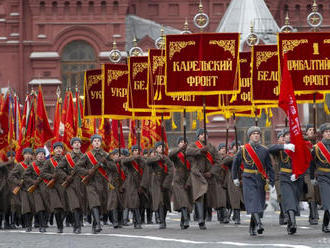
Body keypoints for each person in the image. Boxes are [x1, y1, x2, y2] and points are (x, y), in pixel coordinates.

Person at [232, 126, 275, 236]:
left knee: (258, 204)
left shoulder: (264, 150)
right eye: (253, 133)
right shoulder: (244, 149)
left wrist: (272, 182)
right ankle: (259, 224)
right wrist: (235, 177)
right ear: (249, 136)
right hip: (248, 178)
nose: (256, 135)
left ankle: (252, 227)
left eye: (258, 133)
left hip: (260, 179)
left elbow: (269, 167)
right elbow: (235, 164)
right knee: (253, 201)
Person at [269, 128, 303, 235]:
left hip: (297, 177)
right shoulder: (280, 148)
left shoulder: (299, 147)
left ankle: (290, 221)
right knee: (289, 199)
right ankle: (293, 222)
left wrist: (298, 173)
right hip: (284, 177)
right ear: (283, 137)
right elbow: (270, 149)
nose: (289, 136)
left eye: (290, 134)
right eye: (286, 135)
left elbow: (305, 162)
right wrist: (284, 146)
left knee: (294, 200)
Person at [186, 129, 221, 230]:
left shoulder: (211, 147)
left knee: (207, 198)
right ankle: (201, 220)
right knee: (199, 195)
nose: (203, 136)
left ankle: (202, 217)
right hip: (197, 174)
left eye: (205, 134)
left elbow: (218, 162)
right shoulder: (193, 145)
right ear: (198, 136)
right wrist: (200, 151)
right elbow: (188, 152)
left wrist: (212, 172)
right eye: (201, 134)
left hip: (208, 175)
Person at [75, 134, 108, 234]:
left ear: (101, 142)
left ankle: (95, 226)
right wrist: (87, 172)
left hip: (102, 183)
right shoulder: (87, 155)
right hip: (91, 183)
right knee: (94, 203)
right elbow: (77, 167)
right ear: (92, 143)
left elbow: (113, 168)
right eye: (95, 141)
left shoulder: (105, 155)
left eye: (98, 141)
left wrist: (106, 164)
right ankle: (98, 224)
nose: (97, 142)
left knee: (100, 205)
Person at [57, 137, 85, 234]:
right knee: (75, 205)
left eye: (78, 143)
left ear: (80, 145)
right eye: (75, 143)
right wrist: (66, 177)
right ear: (72, 145)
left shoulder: (85, 156)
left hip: (82, 183)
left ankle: (77, 223)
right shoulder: (67, 157)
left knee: (81, 205)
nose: (77, 144)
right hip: (71, 184)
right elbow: (58, 168)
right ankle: (77, 226)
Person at [40, 142, 66, 233]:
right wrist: (51, 177)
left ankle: (61, 223)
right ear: (53, 150)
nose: (58, 150)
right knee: (57, 206)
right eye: (56, 148)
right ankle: (60, 227)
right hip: (53, 187)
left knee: (64, 208)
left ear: (63, 150)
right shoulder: (49, 161)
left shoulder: (66, 160)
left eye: (60, 148)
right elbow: (42, 173)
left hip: (64, 186)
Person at [146, 141, 174, 229]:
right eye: (159, 147)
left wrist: (167, 182)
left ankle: (163, 219)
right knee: (160, 201)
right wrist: (158, 158)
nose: (161, 148)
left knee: (165, 201)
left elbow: (171, 170)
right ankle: (161, 221)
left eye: (163, 147)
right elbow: (148, 161)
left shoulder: (167, 158)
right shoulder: (154, 158)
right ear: (156, 149)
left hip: (165, 181)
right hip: (156, 182)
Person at [9, 148, 35, 232]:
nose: (27, 155)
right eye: (26, 154)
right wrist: (18, 182)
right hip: (23, 189)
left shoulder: (34, 164)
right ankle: (28, 225)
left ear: (32, 156)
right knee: (26, 207)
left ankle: (30, 223)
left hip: (33, 189)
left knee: (32, 208)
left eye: (29, 154)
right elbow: (11, 176)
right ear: (23, 155)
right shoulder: (19, 165)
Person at [310, 123, 330, 233]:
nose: (329, 133)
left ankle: (325, 224)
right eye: (326, 132)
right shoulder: (317, 148)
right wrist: (312, 178)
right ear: (322, 134)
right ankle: (326, 224)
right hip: (323, 177)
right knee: (327, 202)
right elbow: (311, 164)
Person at [169, 136, 192, 229]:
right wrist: (179, 149)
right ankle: (186, 220)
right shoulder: (176, 154)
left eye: (184, 142)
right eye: (181, 142)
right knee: (183, 200)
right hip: (178, 180)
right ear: (178, 144)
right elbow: (170, 155)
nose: (183, 143)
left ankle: (183, 221)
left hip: (187, 180)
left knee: (187, 201)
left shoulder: (189, 154)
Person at [24, 148, 49, 233]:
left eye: (42, 154)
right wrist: (33, 181)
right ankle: (41, 226)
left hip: (47, 188)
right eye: (39, 154)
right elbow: (25, 176)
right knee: (40, 207)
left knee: (46, 207)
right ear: (36, 156)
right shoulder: (32, 165)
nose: (41, 155)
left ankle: (44, 223)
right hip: (36, 189)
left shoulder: (48, 163)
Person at [121, 145, 144, 229]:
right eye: (135, 150)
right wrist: (134, 158)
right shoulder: (130, 160)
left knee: (140, 203)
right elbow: (124, 161)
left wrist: (140, 158)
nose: (136, 152)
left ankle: (136, 220)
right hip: (131, 183)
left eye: (138, 150)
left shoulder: (142, 160)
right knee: (135, 202)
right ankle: (137, 222)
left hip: (141, 183)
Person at [304, 124, 319, 225]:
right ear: (306, 132)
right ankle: (314, 215)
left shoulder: (318, 144)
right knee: (310, 193)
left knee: (314, 194)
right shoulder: (303, 142)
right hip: (304, 172)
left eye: (313, 130)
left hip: (314, 173)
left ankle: (313, 214)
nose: (311, 132)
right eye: (309, 130)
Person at [105, 149, 124, 228]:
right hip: (111, 184)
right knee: (113, 202)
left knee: (120, 203)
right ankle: (114, 221)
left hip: (120, 184)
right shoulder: (109, 162)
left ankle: (120, 221)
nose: (116, 156)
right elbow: (112, 167)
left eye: (118, 154)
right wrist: (116, 161)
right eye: (115, 154)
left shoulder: (121, 162)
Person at [0, 151, 16, 229]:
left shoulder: (16, 165)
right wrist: (7, 162)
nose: (11, 158)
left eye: (12, 156)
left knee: (11, 206)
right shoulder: (3, 166)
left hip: (13, 188)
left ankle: (9, 223)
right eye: (9, 156)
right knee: (3, 206)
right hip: (4, 188)